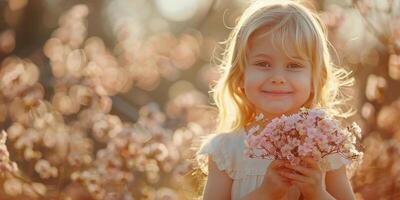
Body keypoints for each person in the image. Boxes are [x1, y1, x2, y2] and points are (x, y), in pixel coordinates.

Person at [195, 0, 358, 199]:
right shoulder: (226, 151)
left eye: (293, 65)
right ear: (240, 76)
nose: (278, 78)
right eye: (263, 63)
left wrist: (318, 193)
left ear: (316, 79)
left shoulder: (326, 147)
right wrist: (266, 193)